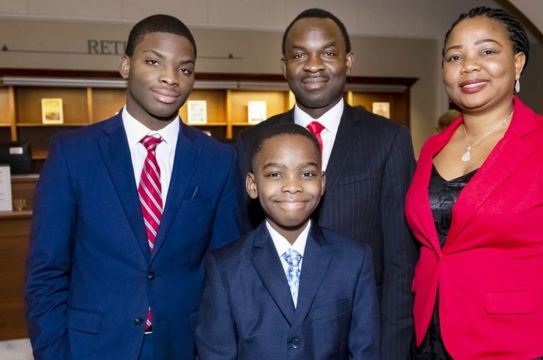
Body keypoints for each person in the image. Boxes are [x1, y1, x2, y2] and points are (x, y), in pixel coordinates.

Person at [25, 14, 241, 360]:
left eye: (184, 69)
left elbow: (226, 275)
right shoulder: (73, 153)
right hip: (92, 347)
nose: (170, 78)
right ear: (125, 66)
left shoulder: (218, 160)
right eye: (154, 61)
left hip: (183, 347)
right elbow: (47, 272)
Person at [405, 6, 543, 360]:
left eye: (486, 51)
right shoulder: (432, 147)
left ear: (517, 64)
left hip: (516, 344)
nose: (468, 65)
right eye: (454, 56)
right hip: (430, 338)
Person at [234, 9, 417, 358]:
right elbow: (241, 253)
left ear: (348, 61)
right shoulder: (252, 142)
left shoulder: (388, 139)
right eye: (300, 54)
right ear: (284, 64)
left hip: (361, 339)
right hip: (270, 340)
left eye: (329, 53)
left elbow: (400, 263)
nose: (313, 65)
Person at [196, 123, 380, 359]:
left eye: (307, 174)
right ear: (252, 185)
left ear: (322, 183)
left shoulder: (354, 260)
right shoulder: (225, 268)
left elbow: (366, 351)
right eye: (275, 174)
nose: (292, 186)